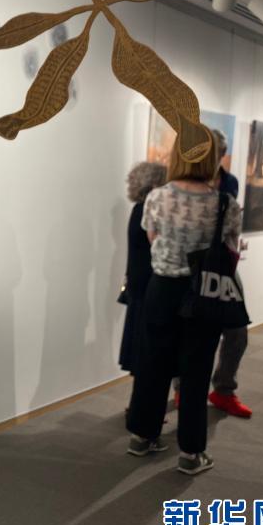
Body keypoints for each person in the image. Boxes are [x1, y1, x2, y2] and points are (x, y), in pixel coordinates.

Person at [126, 124, 242, 475]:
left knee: (153, 364)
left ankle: (142, 436)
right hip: (202, 292)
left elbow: (152, 238)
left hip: (161, 289)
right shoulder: (224, 203)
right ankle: (191, 453)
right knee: (196, 372)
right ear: (212, 157)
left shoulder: (156, 197)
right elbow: (232, 250)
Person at [171, 131, 252, 418]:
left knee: (237, 330)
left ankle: (223, 389)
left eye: (218, 152)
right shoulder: (180, 182)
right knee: (187, 326)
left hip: (221, 264)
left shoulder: (229, 182)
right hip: (189, 264)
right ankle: (182, 386)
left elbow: (231, 228)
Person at [118, 162, 166, 379]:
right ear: (154, 184)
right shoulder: (146, 210)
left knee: (142, 344)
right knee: (145, 347)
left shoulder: (139, 208)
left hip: (139, 283)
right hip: (147, 284)